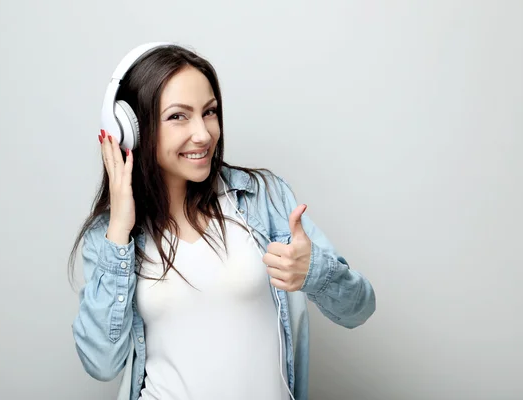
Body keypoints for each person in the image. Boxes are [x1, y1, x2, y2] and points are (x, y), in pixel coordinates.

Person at [68, 43, 376, 400]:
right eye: (178, 116)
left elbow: (359, 309)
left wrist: (315, 274)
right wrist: (119, 229)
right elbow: (100, 364)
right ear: (133, 129)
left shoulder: (263, 198)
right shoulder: (109, 238)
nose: (203, 134)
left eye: (209, 112)